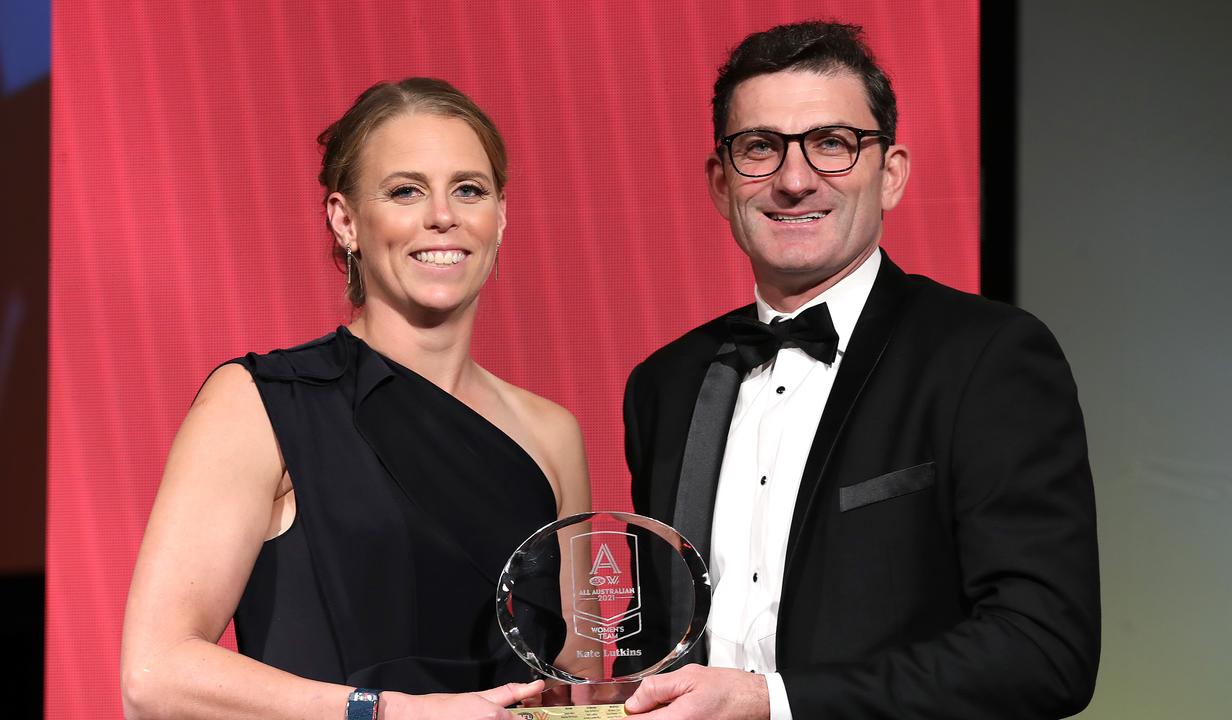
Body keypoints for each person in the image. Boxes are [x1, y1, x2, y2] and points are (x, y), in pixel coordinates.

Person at [621, 22, 1101, 719]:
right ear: (720, 183)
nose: (793, 179)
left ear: (893, 172)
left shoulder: (987, 357)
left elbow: (1043, 650)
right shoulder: (665, 383)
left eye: (832, 145)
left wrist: (773, 702)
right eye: (760, 148)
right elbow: (657, 646)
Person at [121, 78, 590, 720]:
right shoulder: (260, 403)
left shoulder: (552, 434)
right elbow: (156, 675)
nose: (442, 217)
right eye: (405, 191)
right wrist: (388, 712)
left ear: (500, 215)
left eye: (469, 189)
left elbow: (576, 680)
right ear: (345, 220)